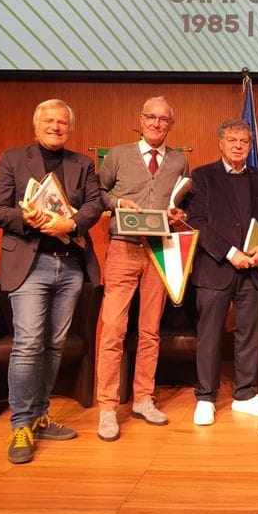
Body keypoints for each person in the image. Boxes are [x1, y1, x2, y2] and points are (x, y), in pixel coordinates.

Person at [0, 99, 103, 464]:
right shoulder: (11, 159)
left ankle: (39, 414)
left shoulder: (82, 164)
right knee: (28, 344)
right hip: (30, 263)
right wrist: (30, 220)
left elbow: (94, 205)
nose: (56, 126)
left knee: (54, 345)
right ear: (35, 126)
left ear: (70, 128)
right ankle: (20, 425)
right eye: (49, 121)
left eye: (62, 122)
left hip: (69, 266)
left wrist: (71, 224)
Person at [95, 96, 189, 441]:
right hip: (122, 249)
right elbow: (98, 191)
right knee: (113, 330)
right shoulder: (118, 155)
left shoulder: (180, 161)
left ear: (170, 125)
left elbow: (182, 202)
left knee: (150, 331)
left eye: (164, 119)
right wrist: (119, 202)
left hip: (159, 251)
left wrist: (178, 216)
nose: (157, 123)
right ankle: (107, 407)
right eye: (151, 117)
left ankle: (143, 399)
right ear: (141, 119)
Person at [186, 119, 258, 425]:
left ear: (250, 146)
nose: (239, 146)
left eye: (244, 141)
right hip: (214, 269)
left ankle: (243, 394)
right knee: (209, 335)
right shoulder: (202, 176)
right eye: (233, 140)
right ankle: (205, 397)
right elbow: (197, 221)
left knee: (248, 333)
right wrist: (230, 253)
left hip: (252, 268)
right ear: (220, 143)